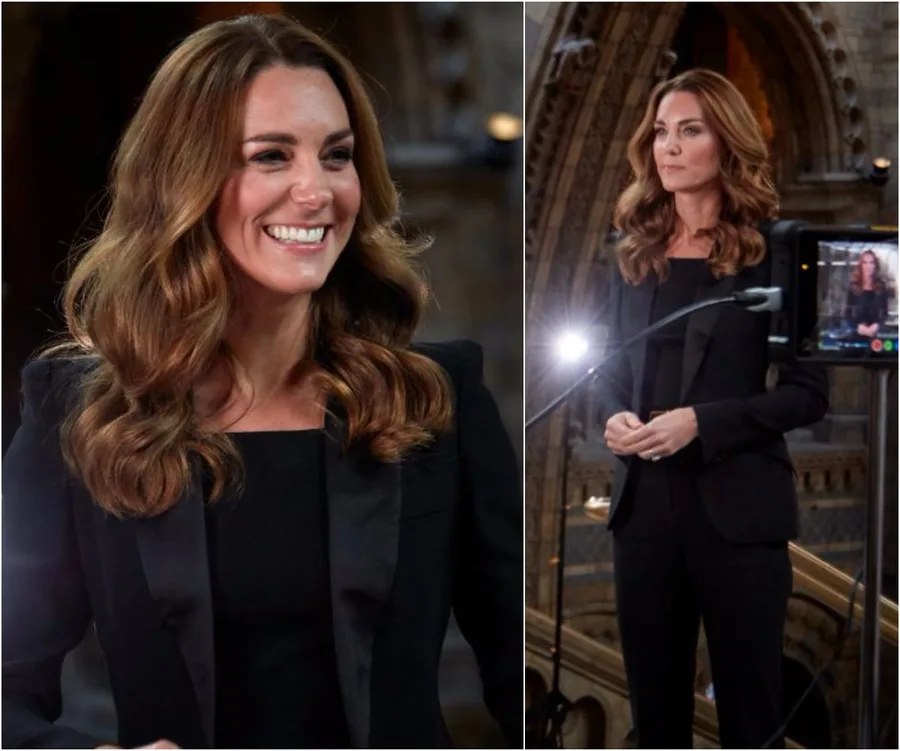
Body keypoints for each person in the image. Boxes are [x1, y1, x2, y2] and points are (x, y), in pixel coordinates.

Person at [2, 15, 522, 750]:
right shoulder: (76, 411)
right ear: (184, 177)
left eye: (336, 156)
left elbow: (524, 671)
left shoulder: (441, 398)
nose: (316, 191)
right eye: (271, 155)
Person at [596, 69, 829, 749]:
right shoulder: (634, 253)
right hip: (643, 512)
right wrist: (613, 414)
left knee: (749, 722)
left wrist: (702, 421)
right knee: (656, 722)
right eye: (661, 131)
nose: (668, 146)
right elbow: (607, 366)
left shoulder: (777, 254)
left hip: (739, 515)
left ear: (726, 143)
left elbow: (807, 393)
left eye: (689, 130)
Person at [844, 249, 891, 338]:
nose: (868, 266)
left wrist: (877, 325)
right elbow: (847, 314)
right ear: (861, 265)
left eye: (871, 262)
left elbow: (885, 313)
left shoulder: (881, 287)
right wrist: (858, 326)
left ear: (875, 265)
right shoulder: (854, 287)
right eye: (865, 263)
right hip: (857, 334)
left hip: (876, 335)